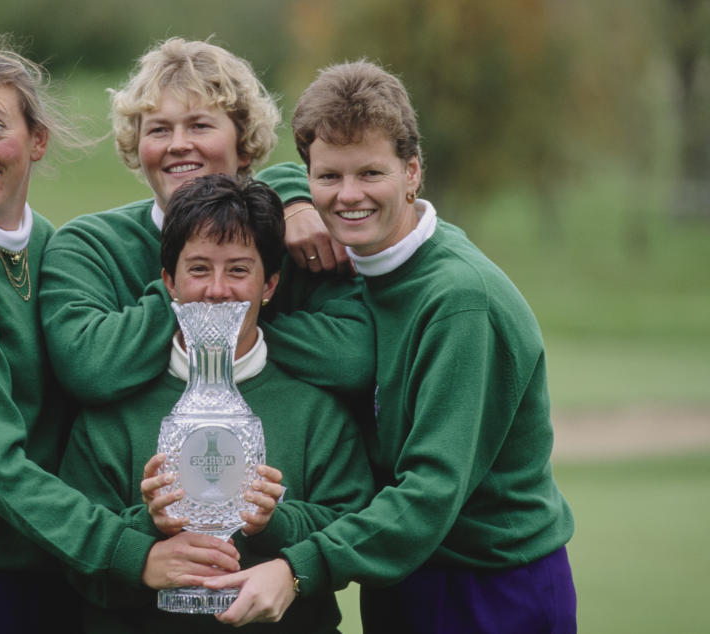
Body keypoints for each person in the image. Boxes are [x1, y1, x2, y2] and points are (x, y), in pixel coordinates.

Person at [0, 34, 238, 634]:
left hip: (48, 569)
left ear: (36, 141)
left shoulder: (43, 242)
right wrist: (130, 551)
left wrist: (297, 200)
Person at [206, 61, 577, 633]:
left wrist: (299, 568)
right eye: (328, 177)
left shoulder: (459, 301)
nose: (349, 196)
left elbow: (429, 493)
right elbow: (278, 177)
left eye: (370, 174)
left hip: (489, 584)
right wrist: (293, 201)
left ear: (412, 172)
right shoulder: (351, 259)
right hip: (399, 573)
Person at [59, 174, 375, 633]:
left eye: (239, 270)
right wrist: (148, 529)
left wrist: (276, 521)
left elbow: (354, 530)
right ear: (169, 280)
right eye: (199, 269)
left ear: (269, 285)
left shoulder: (315, 407)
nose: (218, 290)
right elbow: (73, 550)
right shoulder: (114, 410)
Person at [39, 38, 374, 405]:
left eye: (199, 126)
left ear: (243, 144)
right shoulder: (87, 246)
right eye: (158, 130)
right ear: (137, 146)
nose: (178, 144)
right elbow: (92, 369)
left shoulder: (294, 235)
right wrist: (219, 312)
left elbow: (351, 360)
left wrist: (244, 329)